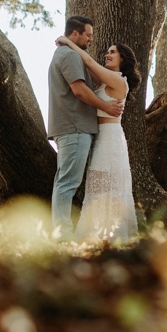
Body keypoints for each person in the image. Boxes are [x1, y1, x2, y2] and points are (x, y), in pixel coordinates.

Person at [53, 33, 140, 242]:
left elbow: (89, 62)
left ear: (123, 59)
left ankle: (110, 236)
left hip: (110, 139)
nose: (107, 55)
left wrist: (69, 42)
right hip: (98, 137)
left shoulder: (119, 81)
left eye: (112, 52)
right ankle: (98, 235)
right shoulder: (103, 82)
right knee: (97, 188)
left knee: (107, 188)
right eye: (107, 52)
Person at [47, 16, 121, 239]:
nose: (90, 39)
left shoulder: (65, 53)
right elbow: (79, 90)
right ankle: (62, 235)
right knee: (68, 183)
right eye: (87, 34)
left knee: (64, 181)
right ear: (75, 34)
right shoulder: (69, 55)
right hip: (75, 128)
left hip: (71, 127)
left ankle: (62, 232)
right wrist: (106, 107)